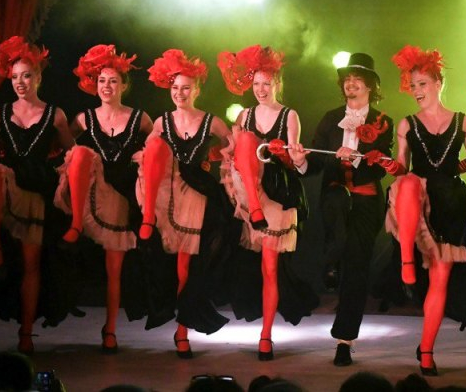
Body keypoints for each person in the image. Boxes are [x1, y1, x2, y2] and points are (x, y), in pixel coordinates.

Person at [0, 35, 74, 353]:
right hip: (8, 190)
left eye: (26, 76)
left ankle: (26, 332)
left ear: (38, 77)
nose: (20, 83)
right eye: (14, 77)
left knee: (31, 264)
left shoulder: (55, 115)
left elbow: (72, 153)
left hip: (36, 191)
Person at [385, 45, 466, 377]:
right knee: (408, 184)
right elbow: (402, 168)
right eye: (412, 85)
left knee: (440, 278)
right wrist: (390, 165)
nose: (416, 90)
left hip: (451, 204)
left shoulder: (461, 120)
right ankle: (406, 261)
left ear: (439, 83)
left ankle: (427, 350)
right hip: (417, 201)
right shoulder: (407, 124)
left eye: (422, 84)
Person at [218, 45, 317, 360]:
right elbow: (234, 156)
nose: (261, 90)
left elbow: (295, 164)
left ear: (277, 84)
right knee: (246, 139)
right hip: (250, 195)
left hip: (276, 193)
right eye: (256, 84)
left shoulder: (289, 115)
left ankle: (266, 335)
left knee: (270, 267)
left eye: (267, 84)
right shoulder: (245, 116)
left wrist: (289, 155)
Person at [54, 44, 152, 352]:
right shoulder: (84, 119)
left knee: (115, 270)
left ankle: (110, 330)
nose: (106, 86)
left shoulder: (140, 119)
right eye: (101, 81)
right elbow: (65, 148)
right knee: (81, 155)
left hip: (123, 196)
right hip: (94, 194)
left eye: (112, 81)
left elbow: (156, 150)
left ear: (124, 85)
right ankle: (75, 224)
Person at [138, 48, 234, 358]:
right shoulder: (161, 122)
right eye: (175, 87)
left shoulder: (212, 122)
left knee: (187, 266)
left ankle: (183, 330)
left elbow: (232, 149)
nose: (179, 93)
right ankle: (179, 325)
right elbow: (148, 159)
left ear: (197, 90)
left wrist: (219, 159)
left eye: (186, 88)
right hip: (169, 194)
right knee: (172, 264)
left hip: (198, 194)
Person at [306, 52, 394, 366]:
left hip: (366, 200)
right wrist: (300, 160)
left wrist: (356, 158)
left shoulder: (383, 121)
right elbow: (315, 163)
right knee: (338, 222)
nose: (350, 84)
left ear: (370, 85)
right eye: (347, 79)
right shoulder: (331, 118)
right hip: (335, 197)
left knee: (356, 269)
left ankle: (344, 340)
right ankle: (331, 260)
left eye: (357, 79)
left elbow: (381, 167)